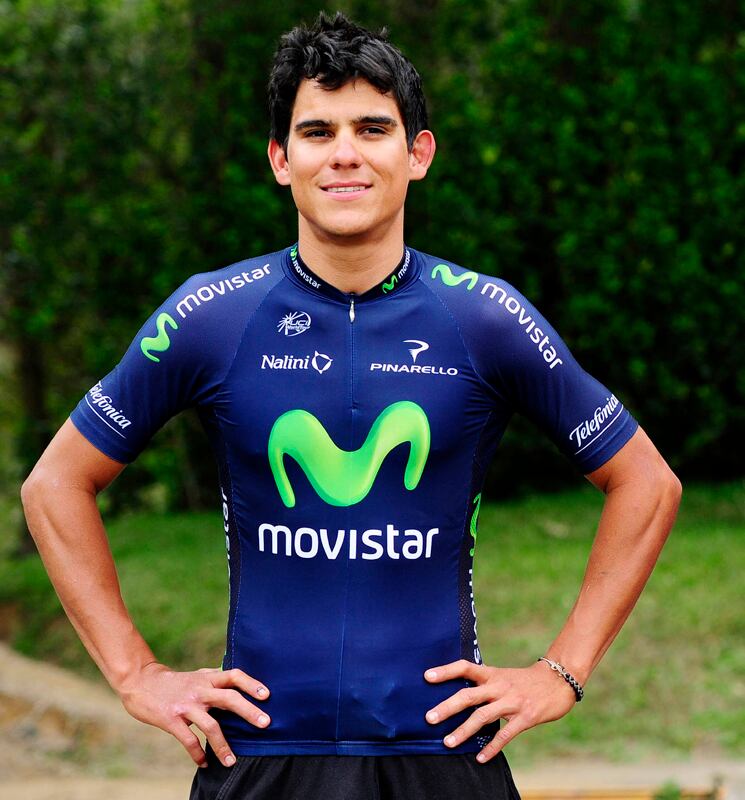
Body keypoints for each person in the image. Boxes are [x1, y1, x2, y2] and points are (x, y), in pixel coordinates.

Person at [21, 11, 681, 800]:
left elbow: (646, 483)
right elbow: (54, 485)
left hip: (442, 755)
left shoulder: (485, 318)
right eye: (316, 131)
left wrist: (560, 672)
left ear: (417, 153)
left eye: (372, 128)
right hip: (260, 758)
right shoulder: (211, 316)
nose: (343, 153)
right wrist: (136, 674)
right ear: (280, 159)